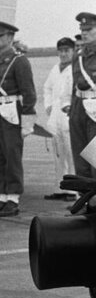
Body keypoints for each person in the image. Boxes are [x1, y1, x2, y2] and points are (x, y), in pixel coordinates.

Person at [0, 20, 36, 218]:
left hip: (12, 113)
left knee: (12, 156)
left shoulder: (19, 61)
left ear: (10, 38)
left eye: (1, 36)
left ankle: (13, 199)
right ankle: (2, 196)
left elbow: (29, 93)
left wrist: (27, 120)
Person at [40, 37, 77, 200]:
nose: (63, 54)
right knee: (58, 154)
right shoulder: (56, 68)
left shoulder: (76, 68)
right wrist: (48, 105)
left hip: (70, 116)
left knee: (71, 154)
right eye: (61, 51)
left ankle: (73, 190)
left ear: (73, 51)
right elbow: (47, 87)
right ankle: (60, 188)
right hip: (55, 117)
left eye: (66, 51)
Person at [69, 12, 96, 178]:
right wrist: (73, 112)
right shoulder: (78, 56)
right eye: (82, 29)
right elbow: (75, 85)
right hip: (79, 109)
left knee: (95, 161)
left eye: (89, 29)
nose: (84, 32)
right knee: (80, 159)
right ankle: (87, 201)